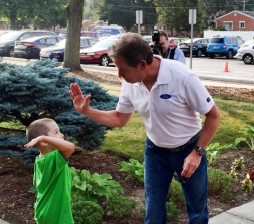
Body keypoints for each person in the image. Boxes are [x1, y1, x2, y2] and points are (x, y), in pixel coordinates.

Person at [69, 33, 221, 224]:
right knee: (153, 209)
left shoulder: (182, 77)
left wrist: (197, 152)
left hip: (189, 149)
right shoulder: (130, 83)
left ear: (142, 64)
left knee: (197, 210)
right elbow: (120, 118)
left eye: (122, 70)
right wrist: (88, 111)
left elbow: (214, 116)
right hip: (155, 152)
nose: (119, 76)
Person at [25, 118, 75, 224]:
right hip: (56, 215)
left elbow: (37, 184)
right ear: (44, 142)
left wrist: (44, 138)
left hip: (43, 210)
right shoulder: (53, 158)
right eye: (56, 132)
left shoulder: (39, 159)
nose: (62, 135)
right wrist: (43, 137)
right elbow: (70, 147)